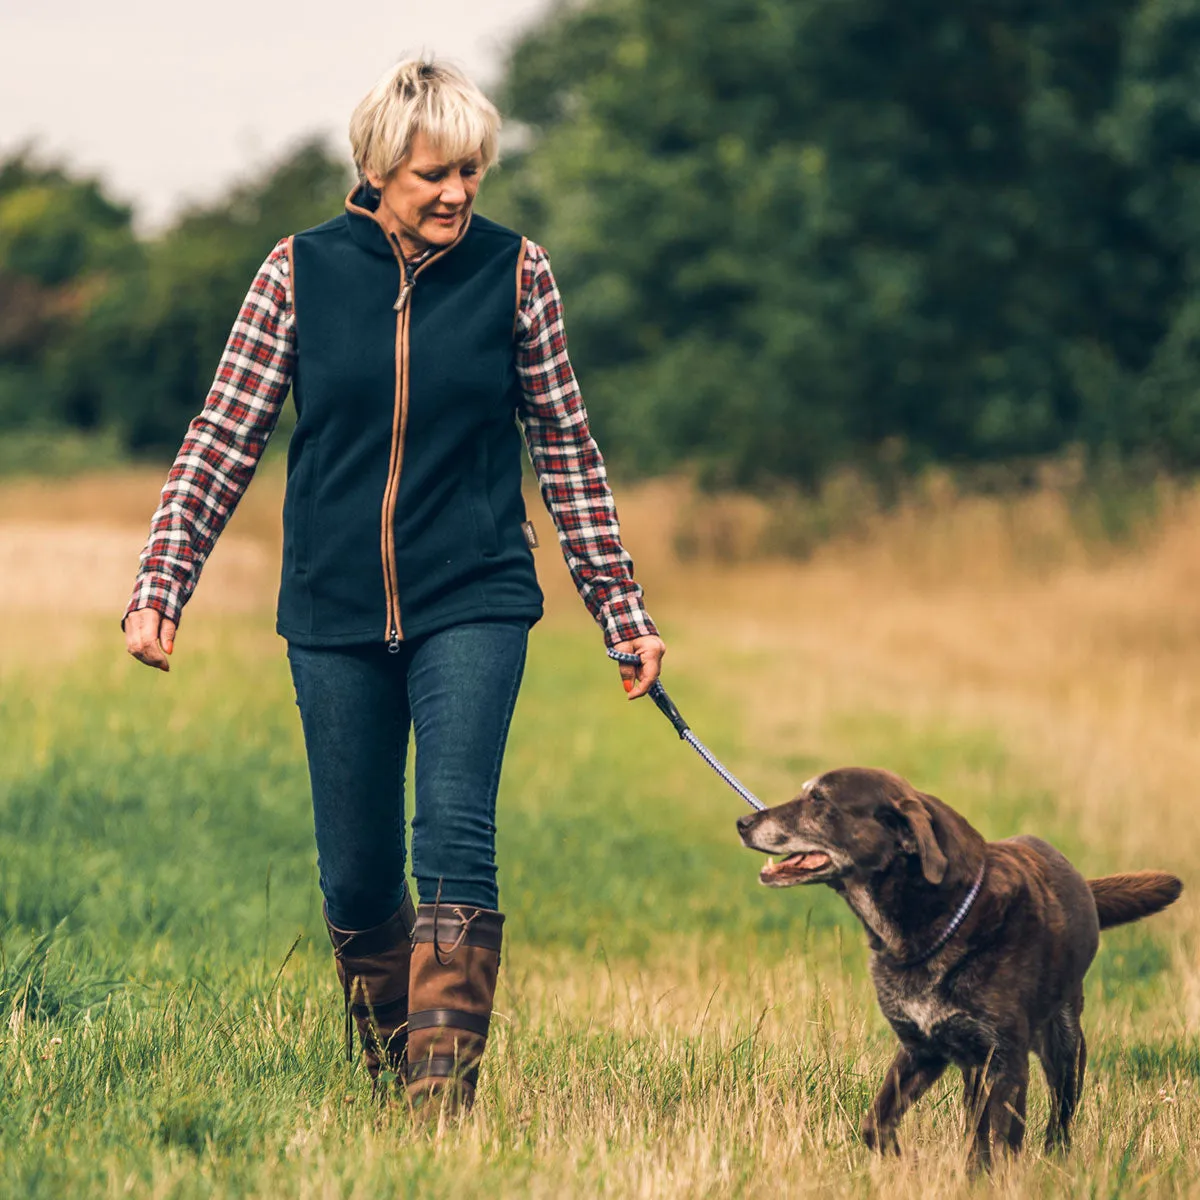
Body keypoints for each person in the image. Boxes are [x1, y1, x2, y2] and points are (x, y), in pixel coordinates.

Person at [122, 57, 665, 1112]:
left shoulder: (519, 274)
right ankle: (385, 1079)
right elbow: (223, 437)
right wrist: (162, 581)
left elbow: (567, 449)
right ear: (376, 172)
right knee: (359, 874)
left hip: (475, 592)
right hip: (331, 606)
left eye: (471, 170)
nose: (457, 193)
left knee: (455, 833)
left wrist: (622, 611)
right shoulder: (298, 272)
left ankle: (439, 1102)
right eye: (432, 174)